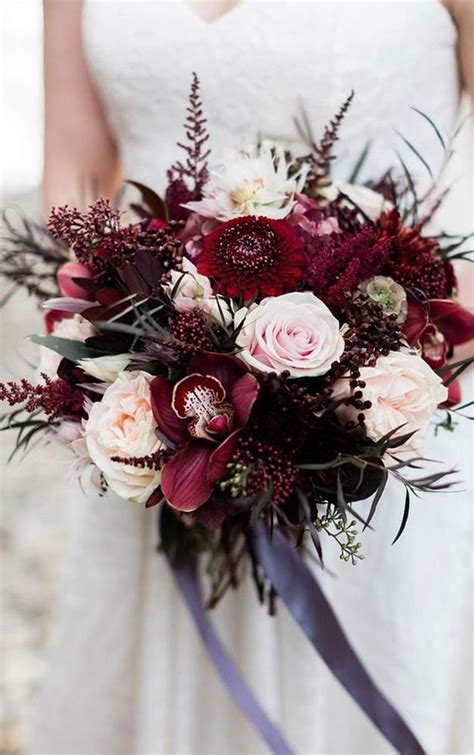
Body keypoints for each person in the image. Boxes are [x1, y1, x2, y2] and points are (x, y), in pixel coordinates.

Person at [34, 1, 473, 753]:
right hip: (164, 400)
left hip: (393, 395)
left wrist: (413, 331)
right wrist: (125, 339)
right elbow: (77, 166)